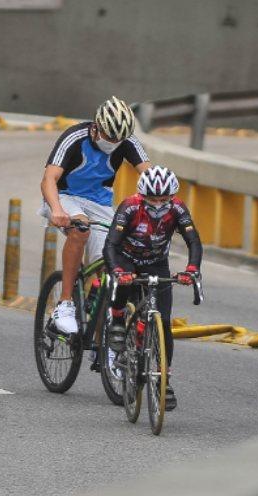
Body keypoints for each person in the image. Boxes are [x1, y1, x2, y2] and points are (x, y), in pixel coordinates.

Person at [39, 96, 151, 335]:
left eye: (118, 139)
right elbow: (49, 178)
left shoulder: (127, 140)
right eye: (110, 137)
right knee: (81, 231)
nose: (114, 142)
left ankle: (101, 322)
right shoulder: (74, 137)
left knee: (112, 256)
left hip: (99, 202)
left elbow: (149, 175)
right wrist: (57, 210)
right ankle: (66, 304)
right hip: (64, 197)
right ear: (96, 127)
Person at [103, 165, 201, 411]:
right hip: (127, 258)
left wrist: (192, 269)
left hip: (156, 262)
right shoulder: (130, 207)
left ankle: (163, 378)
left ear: (172, 196)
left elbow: (193, 240)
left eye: (164, 199)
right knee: (123, 283)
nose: (158, 204)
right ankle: (116, 320)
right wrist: (117, 270)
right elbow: (111, 244)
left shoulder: (178, 208)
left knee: (164, 322)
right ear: (142, 195)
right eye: (152, 199)